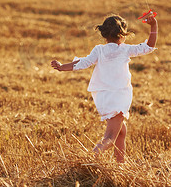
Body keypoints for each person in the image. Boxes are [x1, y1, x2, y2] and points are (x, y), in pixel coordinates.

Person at [51, 14, 158, 163]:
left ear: (104, 34)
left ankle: (120, 166)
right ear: (123, 34)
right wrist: (153, 26)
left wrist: (62, 67)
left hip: (104, 97)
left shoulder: (99, 50)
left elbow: (83, 63)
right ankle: (88, 159)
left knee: (121, 132)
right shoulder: (126, 49)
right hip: (119, 98)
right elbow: (149, 47)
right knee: (110, 137)